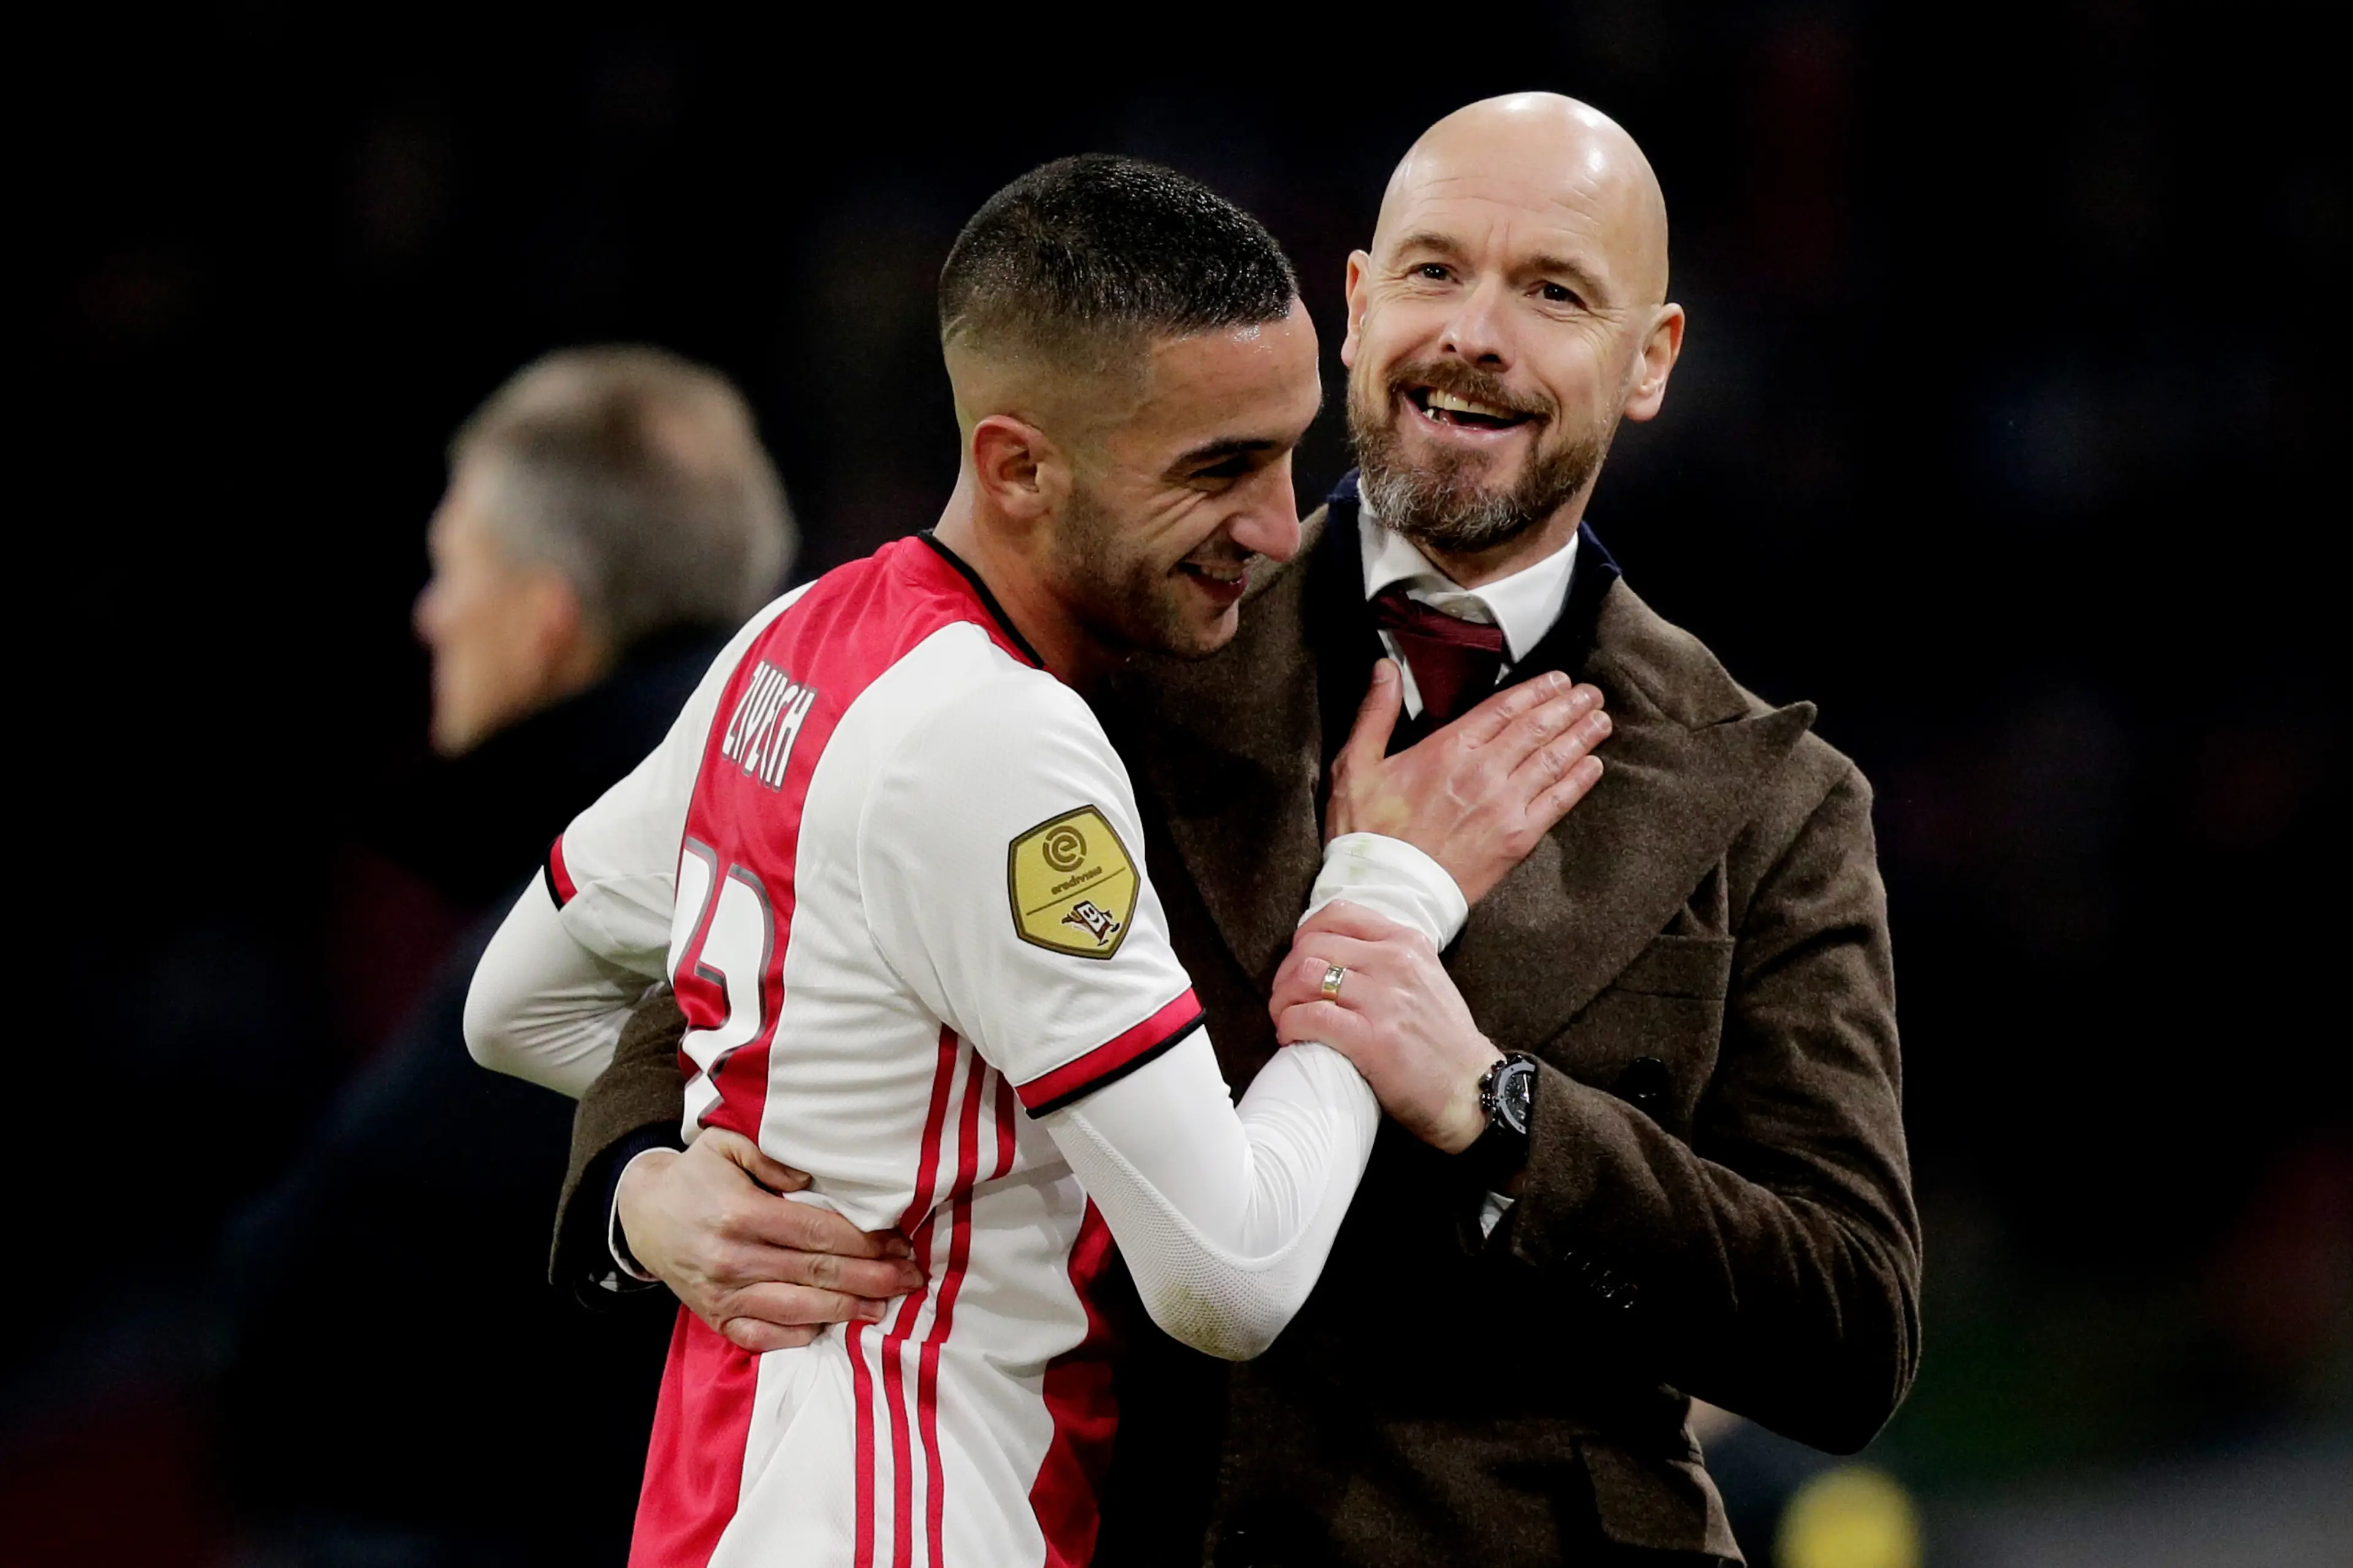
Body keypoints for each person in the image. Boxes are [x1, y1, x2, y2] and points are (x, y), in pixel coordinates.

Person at [563, 94, 1921, 1567]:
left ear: (1649, 359)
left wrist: (1494, 1104)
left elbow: (1849, 1329)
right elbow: (741, 937)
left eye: (1552, 293)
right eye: (1434, 270)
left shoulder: (1776, 801)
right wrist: (644, 1182)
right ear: (1352, 304)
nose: (1474, 333)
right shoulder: (1116, 623)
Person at [464, 156, 1611, 1568]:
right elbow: (1231, 1272)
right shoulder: (1000, 748)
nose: (1272, 524)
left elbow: (517, 1002)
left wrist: (666, 1176)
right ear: (1017, 466)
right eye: (1216, 469)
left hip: (732, 1497)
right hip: (905, 1514)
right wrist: (1389, 890)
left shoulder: (790, 644)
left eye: (1285, 452)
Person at [211, 346, 795, 1566]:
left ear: (544, 625)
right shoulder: (790, 794)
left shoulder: (598, 892)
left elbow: (292, 1307)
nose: (429, 612)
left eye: (448, 569)